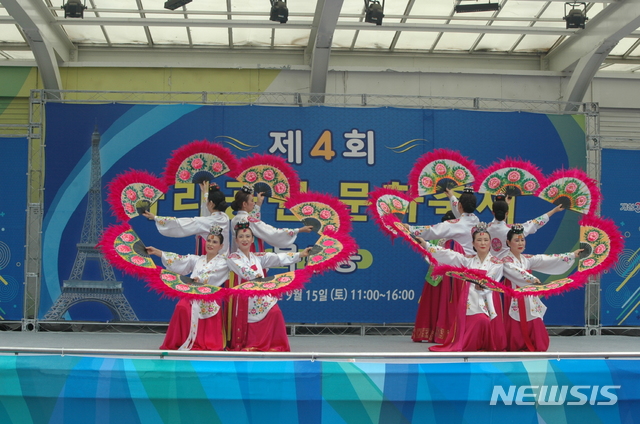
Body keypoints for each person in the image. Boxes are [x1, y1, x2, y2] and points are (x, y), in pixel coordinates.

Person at [417, 223, 507, 352]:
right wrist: (426, 245)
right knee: (478, 321)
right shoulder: (468, 260)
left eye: (486, 240)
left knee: (485, 321)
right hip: (471, 298)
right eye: (479, 240)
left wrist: (484, 284)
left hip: (489, 298)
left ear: (490, 243)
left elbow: (494, 277)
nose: (483, 243)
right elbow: (448, 254)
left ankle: (485, 343)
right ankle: (472, 344)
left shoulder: (497, 263)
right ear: (473, 244)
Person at [226, 220, 312, 351]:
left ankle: (272, 344)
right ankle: (253, 344)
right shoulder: (233, 258)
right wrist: (255, 276)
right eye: (241, 237)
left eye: (248, 236)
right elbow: (242, 269)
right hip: (245, 297)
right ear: (236, 241)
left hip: (261, 293)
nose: (244, 239)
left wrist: (300, 254)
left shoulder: (258, 257)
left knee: (275, 312)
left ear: (252, 239)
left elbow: (277, 258)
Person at [146, 225, 229, 351]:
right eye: (209, 241)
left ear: (221, 246)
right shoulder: (197, 259)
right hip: (192, 294)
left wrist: (200, 280)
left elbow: (215, 275)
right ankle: (182, 340)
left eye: (215, 242)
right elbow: (178, 259)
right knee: (181, 307)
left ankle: (200, 341)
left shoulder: (224, 262)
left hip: (209, 296)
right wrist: (157, 252)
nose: (211, 244)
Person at [501, 225, 582, 352]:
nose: (520, 243)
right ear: (508, 242)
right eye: (516, 240)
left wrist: (572, 255)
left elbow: (545, 259)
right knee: (516, 318)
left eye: (522, 240)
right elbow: (514, 270)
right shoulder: (505, 260)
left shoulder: (526, 259)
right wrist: (531, 278)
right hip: (516, 295)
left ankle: (536, 344)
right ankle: (517, 344)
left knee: (534, 317)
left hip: (529, 295)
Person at [143, 181, 231, 253]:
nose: (206, 203)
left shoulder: (203, 222)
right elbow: (207, 212)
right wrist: (205, 193)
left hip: (212, 262)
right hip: (224, 263)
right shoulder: (225, 218)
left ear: (211, 203)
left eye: (207, 201)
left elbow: (179, 224)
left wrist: (156, 217)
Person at [229, 185, 313, 252]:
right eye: (252, 201)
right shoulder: (249, 220)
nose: (253, 203)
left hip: (237, 258)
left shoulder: (234, 220)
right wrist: (299, 230)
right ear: (244, 204)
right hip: (251, 256)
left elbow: (253, 223)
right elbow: (272, 232)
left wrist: (258, 204)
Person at [486, 195, 565, 258]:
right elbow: (535, 223)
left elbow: (496, 221)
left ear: (493, 212)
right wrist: (554, 211)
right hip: (509, 265)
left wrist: (505, 205)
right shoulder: (513, 230)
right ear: (507, 213)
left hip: (491, 265)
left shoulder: (487, 228)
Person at [408, 187, 479, 255]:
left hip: (465, 262)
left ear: (460, 205)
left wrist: (410, 229)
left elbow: (433, 230)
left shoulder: (456, 224)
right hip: (478, 261)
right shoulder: (476, 220)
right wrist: (451, 196)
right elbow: (459, 211)